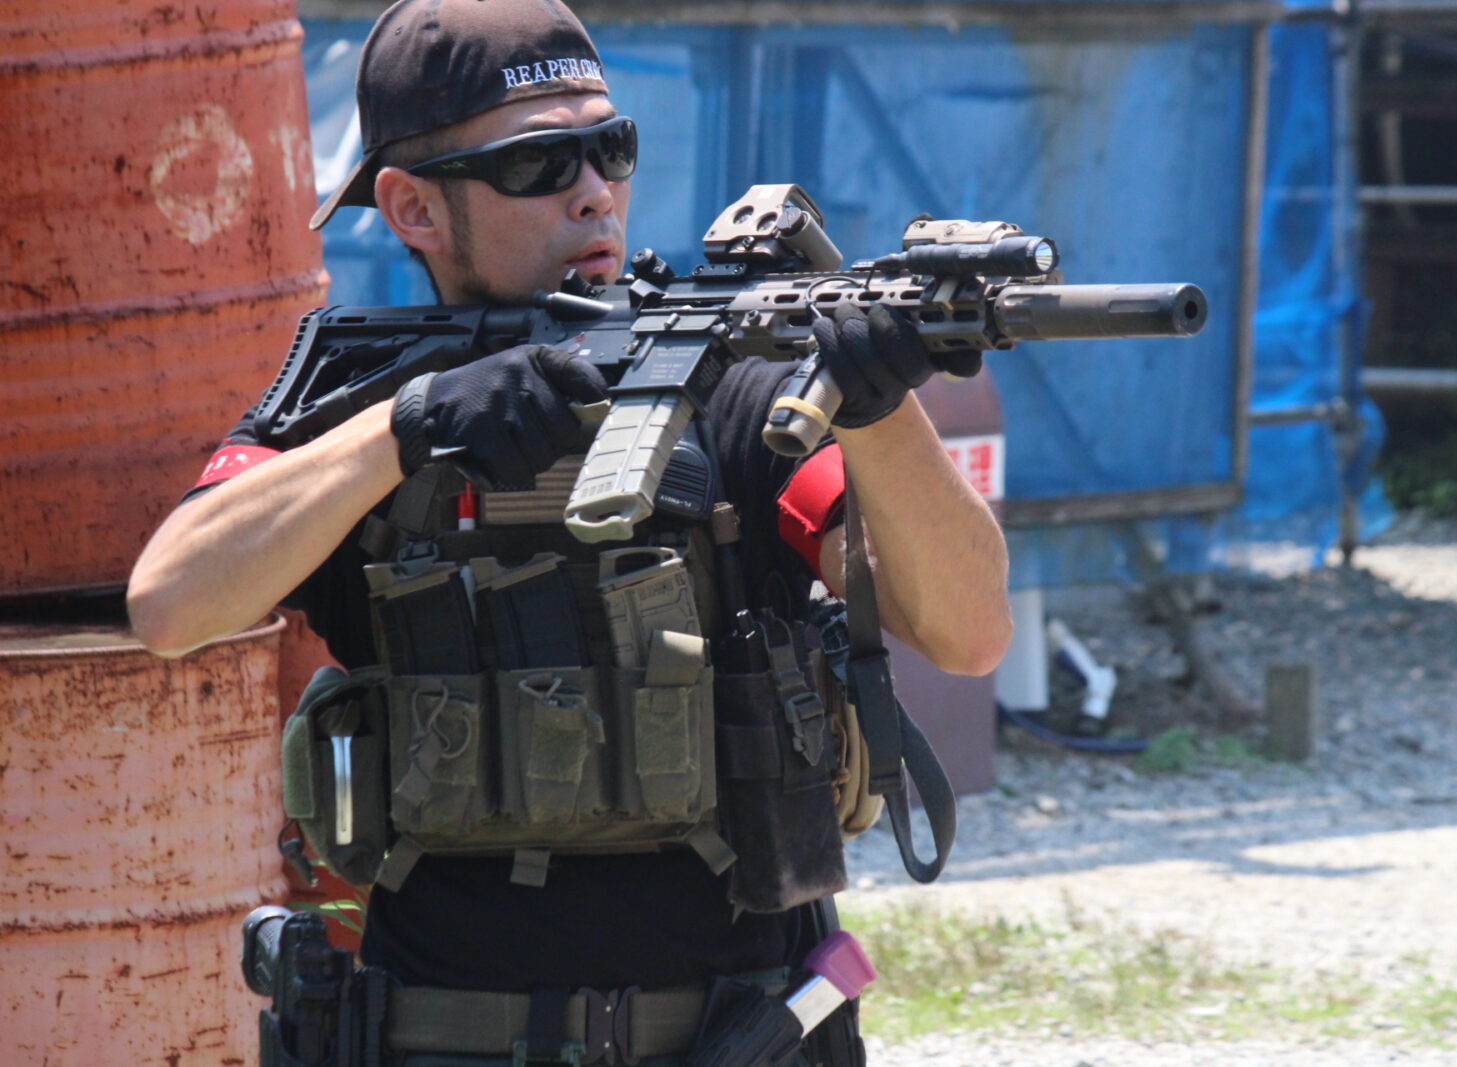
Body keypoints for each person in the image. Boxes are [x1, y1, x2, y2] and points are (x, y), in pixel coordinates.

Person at [127, 0, 1010, 1062]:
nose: (594, 191)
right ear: (412, 207)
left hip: (737, 1035)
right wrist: (404, 428)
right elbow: (170, 605)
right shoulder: (360, 411)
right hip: (442, 1040)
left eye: (611, 149)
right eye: (539, 164)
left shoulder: (731, 386)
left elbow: (967, 631)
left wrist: (879, 408)